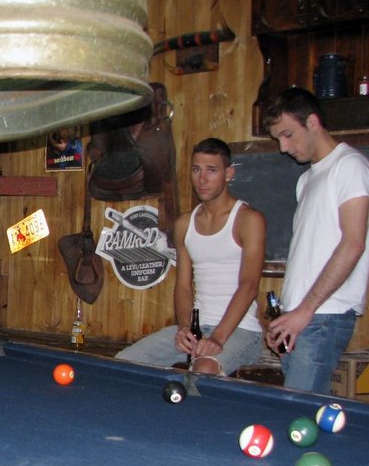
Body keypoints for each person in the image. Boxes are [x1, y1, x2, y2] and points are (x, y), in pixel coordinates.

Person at [114, 138, 266, 375]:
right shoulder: (184, 224)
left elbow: (249, 286)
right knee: (122, 363)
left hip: (241, 330)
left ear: (228, 174)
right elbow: (183, 285)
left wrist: (217, 338)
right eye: (196, 170)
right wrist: (184, 327)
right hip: (198, 327)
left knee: (203, 368)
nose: (202, 179)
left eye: (211, 170)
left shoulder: (248, 220)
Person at [262, 87, 369, 393]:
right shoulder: (306, 179)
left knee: (297, 410)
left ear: (312, 122)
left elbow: (353, 243)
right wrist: (288, 315)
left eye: (288, 135)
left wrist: (305, 311)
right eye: (278, 139)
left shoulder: (349, 165)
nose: (283, 147)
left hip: (324, 315)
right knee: (304, 411)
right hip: (301, 315)